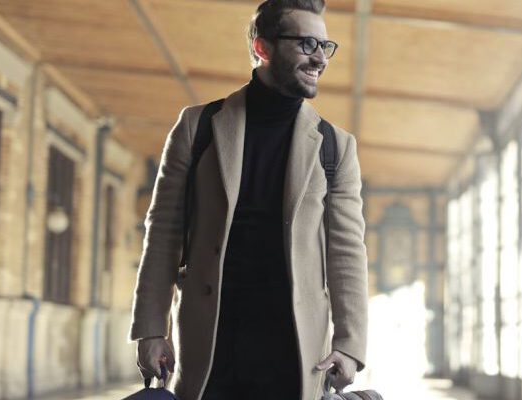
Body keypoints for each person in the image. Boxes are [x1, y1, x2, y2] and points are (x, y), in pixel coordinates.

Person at [128, 0, 368, 398]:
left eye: (325, 47)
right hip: (211, 340)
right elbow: (164, 232)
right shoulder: (197, 126)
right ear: (263, 49)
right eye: (307, 44)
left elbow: (347, 251)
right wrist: (152, 328)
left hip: (295, 348)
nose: (320, 58)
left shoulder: (335, 147)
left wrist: (349, 344)